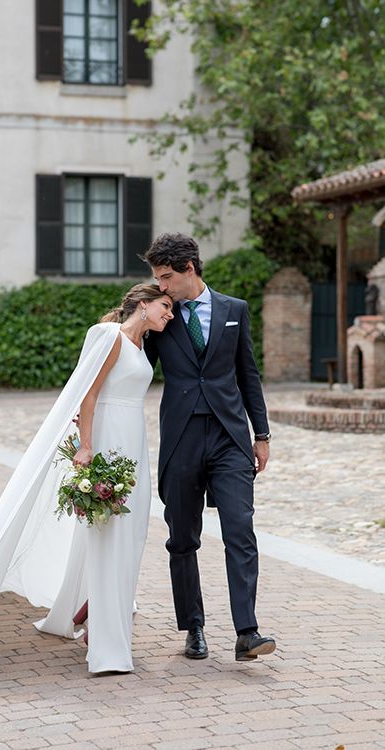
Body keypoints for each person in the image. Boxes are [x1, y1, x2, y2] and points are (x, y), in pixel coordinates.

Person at [0, 284, 173, 676]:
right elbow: (87, 396)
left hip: (133, 442)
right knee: (110, 534)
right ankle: (107, 644)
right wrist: (86, 447)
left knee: (132, 531)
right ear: (143, 304)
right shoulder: (112, 338)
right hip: (107, 439)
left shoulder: (142, 346)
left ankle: (90, 608)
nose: (169, 314)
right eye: (165, 306)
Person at [143, 233, 276, 662]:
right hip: (181, 438)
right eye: (157, 279)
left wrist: (261, 434)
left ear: (190, 269)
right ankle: (194, 628)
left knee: (240, 529)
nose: (162, 287)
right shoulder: (160, 317)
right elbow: (135, 370)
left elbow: (248, 375)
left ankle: (247, 631)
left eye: (166, 277)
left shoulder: (234, 310)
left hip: (229, 437)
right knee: (182, 539)